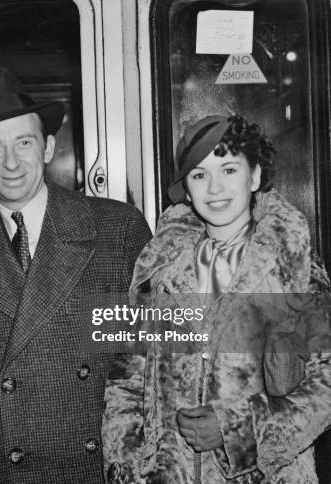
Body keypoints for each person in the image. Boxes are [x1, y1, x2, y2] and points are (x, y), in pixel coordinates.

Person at [0, 65, 151, 483]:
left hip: (104, 465)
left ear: (49, 147)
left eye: (24, 142)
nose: (12, 162)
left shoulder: (118, 228)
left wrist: (131, 448)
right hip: (6, 468)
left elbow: (153, 351)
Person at [102, 114, 331, 483]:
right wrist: (128, 465)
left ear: (254, 176)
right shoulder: (160, 267)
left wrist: (238, 431)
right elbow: (128, 379)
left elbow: (326, 383)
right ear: (187, 190)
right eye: (199, 175)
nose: (215, 188)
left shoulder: (291, 263)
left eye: (228, 169)